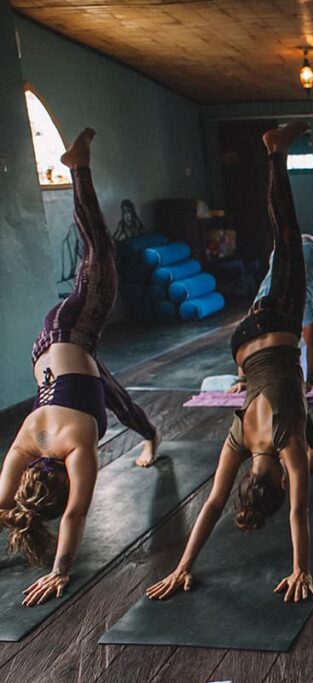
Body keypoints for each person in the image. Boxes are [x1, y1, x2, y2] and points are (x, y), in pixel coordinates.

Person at [147, 122, 313, 604]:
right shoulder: (239, 436)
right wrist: (183, 567)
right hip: (243, 341)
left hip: (277, 326)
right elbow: (214, 503)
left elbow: (298, 513)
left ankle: (276, 153)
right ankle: (276, 153)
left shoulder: (290, 448)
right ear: (251, 478)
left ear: (278, 479)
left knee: (288, 239)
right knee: (281, 250)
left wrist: (301, 568)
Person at [0, 129, 160, 607]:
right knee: (114, 394)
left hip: (75, 331)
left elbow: (74, 516)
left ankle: (79, 164)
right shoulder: (23, 447)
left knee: (99, 253)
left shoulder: (77, 449)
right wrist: (24, 527)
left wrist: (60, 571)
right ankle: (151, 434)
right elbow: (7, 505)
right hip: (53, 350)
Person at [241, 183, 313, 400]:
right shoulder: (260, 304)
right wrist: (242, 380)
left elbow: (311, 343)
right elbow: (245, 342)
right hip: (281, 254)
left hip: (310, 249)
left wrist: (311, 381)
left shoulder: (302, 304)